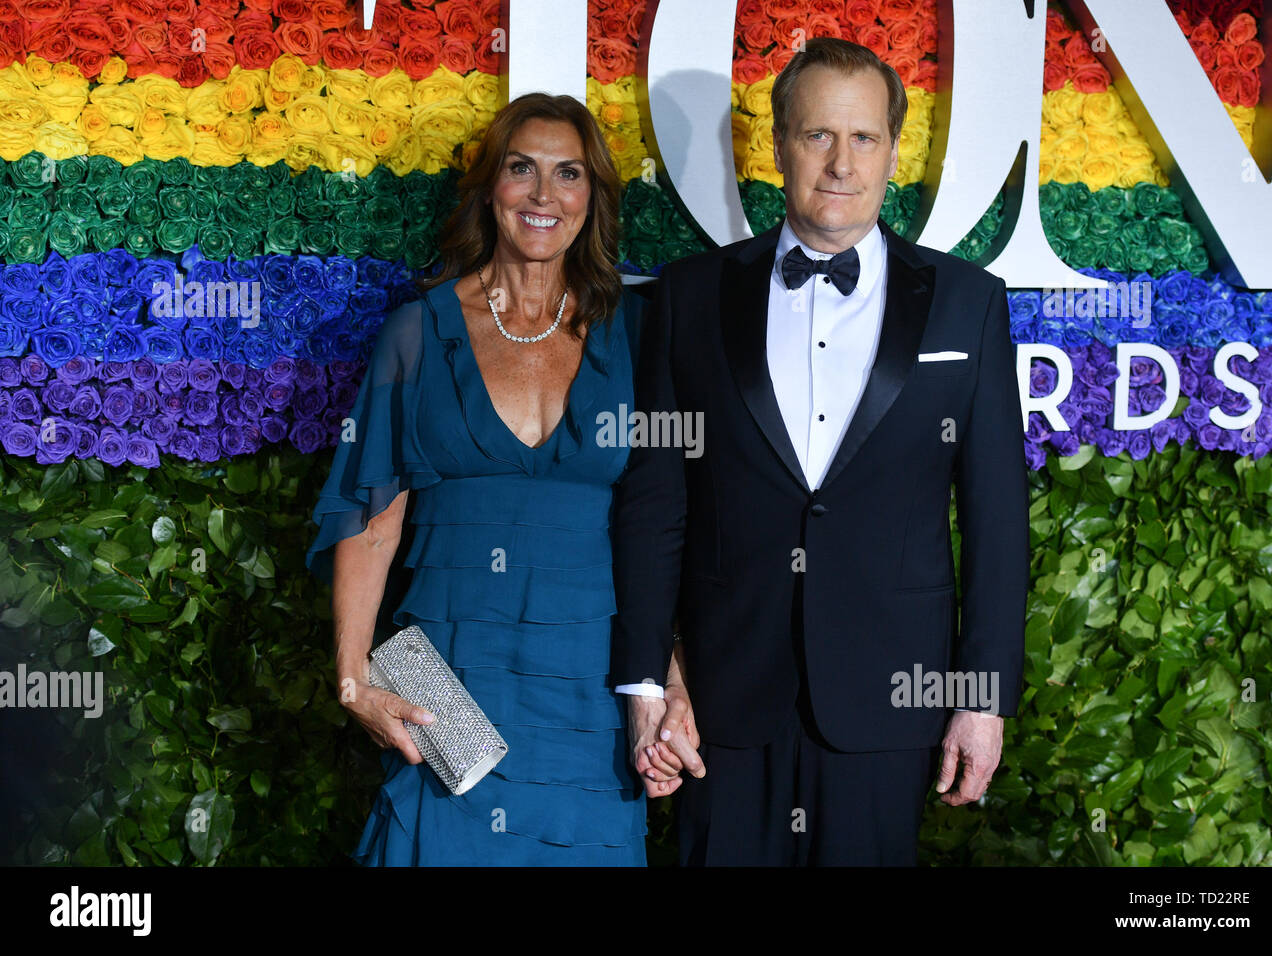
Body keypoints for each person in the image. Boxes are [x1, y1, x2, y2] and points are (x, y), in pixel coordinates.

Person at [612, 37, 1030, 865]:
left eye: (864, 138)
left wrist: (983, 700)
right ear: (777, 146)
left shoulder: (967, 305)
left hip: (891, 703)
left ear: (893, 151)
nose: (841, 163)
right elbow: (657, 500)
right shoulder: (690, 296)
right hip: (720, 706)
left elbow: (996, 519)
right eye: (817, 136)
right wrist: (647, 684)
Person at [305, 92, 691, 865]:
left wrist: (670, 683)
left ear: (593, 198)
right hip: (451, 686)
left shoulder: (639, 335)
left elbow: (658, 526)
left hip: (592, 696)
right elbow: (370, 517)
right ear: (491, 188)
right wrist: (353, 679)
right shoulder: (418, 333)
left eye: (569, 174)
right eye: (523, 169)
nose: (544, 195)